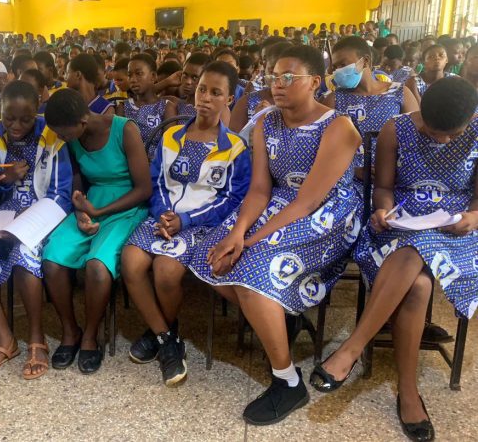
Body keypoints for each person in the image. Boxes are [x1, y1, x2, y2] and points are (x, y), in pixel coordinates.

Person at [188, 46, 362, 425]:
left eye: (289, 77)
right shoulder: (267, 121)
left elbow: (308, 201)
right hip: (279, 201)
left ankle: (287, 381)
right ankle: (281, 315)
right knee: (209, 254)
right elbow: (260, 190)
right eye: (273, 76)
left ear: (315, 82)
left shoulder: (338, 127)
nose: (277, 85)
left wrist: (252, 241)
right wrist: (236, 232)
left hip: (326, 214)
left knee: (250, 271)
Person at [310, 77, 478, 442]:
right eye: (433, 131)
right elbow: (382, 187)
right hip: (400, 222)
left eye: (452, 135)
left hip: (456, 231)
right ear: (421, 114)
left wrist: (473, 217)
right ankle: (408, 391)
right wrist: (383, 210)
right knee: (417, 287)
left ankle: (351, 350)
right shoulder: (395, 129)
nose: (441, 140)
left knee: (418, 253)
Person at [121, 61, 251, 386]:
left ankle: (160, 334)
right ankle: (167, 337)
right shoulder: (171, 136)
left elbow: (231, 199)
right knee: (131, 261)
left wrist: (186, 219)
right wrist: (165, 214)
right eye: (201, 89)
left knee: (165, 270)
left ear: (229, 100)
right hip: (165, 217)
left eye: (215, 92)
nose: (205, 97)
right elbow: (158, 182)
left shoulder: (234, 147)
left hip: (203, 224)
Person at [0, 81, 72, 381]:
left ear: (37, 109)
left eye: (25, 119)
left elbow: (61, 193)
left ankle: (36, 338)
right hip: (1, 213)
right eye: (8, 117)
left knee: (26, 251)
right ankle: (4, 340)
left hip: (43, 213)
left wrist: (27, 218)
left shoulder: (51, 136)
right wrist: (6, 180)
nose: (16, 125)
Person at [42, 89, 152, 374]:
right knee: (52, 259)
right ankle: (70, 331)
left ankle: (91, 334)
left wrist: (99, 213)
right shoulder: (72, 138)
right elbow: (78, 182)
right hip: (92, 204)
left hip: (126, 205)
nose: (61, 138)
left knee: (97, 266)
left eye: (64, 133)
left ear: (82, 120)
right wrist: (80, 212)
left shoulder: (124, 130)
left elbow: (144, 188)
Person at [323, 36, 418, 181]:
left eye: (343, 64)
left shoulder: (399, 92)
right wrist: (352, 170)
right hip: (350, 181)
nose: (338, 71)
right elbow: (322, 148)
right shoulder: (334, 99)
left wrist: (392, 170)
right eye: (335, 67)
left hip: (394, 178)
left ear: (365, 61)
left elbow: (416, 139)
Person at [229, 41, 292, 132]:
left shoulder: (305, 106)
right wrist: (255, 121)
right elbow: (233, 142)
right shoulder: (247, 103)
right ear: (265, 67)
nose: (279, 81)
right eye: (272, 72)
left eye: (286, 75)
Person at [118, 54, 176, 150]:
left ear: (153, 76)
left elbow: (168, 148)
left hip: (157, 163)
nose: (133, 79)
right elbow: (118, 144)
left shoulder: (166, 107)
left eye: (139, 73)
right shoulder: (123, 107)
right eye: (129, 75)